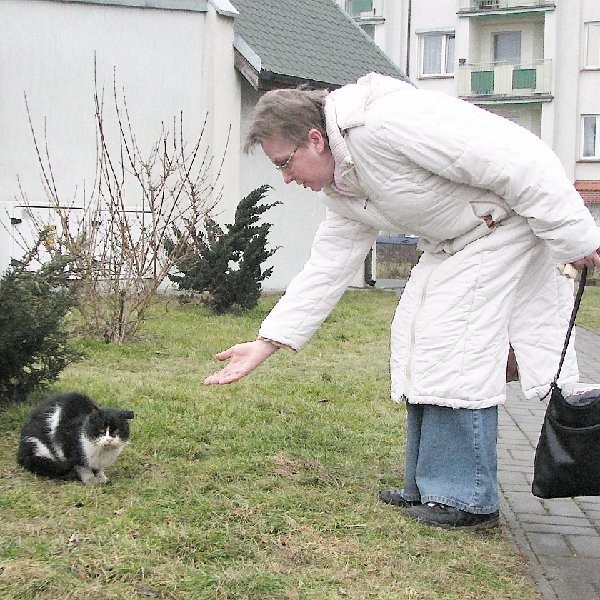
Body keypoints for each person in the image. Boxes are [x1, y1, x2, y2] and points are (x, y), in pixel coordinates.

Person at [204, 72, 600, 529]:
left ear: (315, 139)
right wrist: (267, 342)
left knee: (454, 345)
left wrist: (573, 235)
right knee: (415, 335)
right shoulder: (343, 184)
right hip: (455, 242)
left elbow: (519, 158)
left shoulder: (386, 123)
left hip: (505, 225)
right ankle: (428, 486)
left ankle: (467, 497)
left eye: (285, 163)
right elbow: (327, 267)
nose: (288, 178)